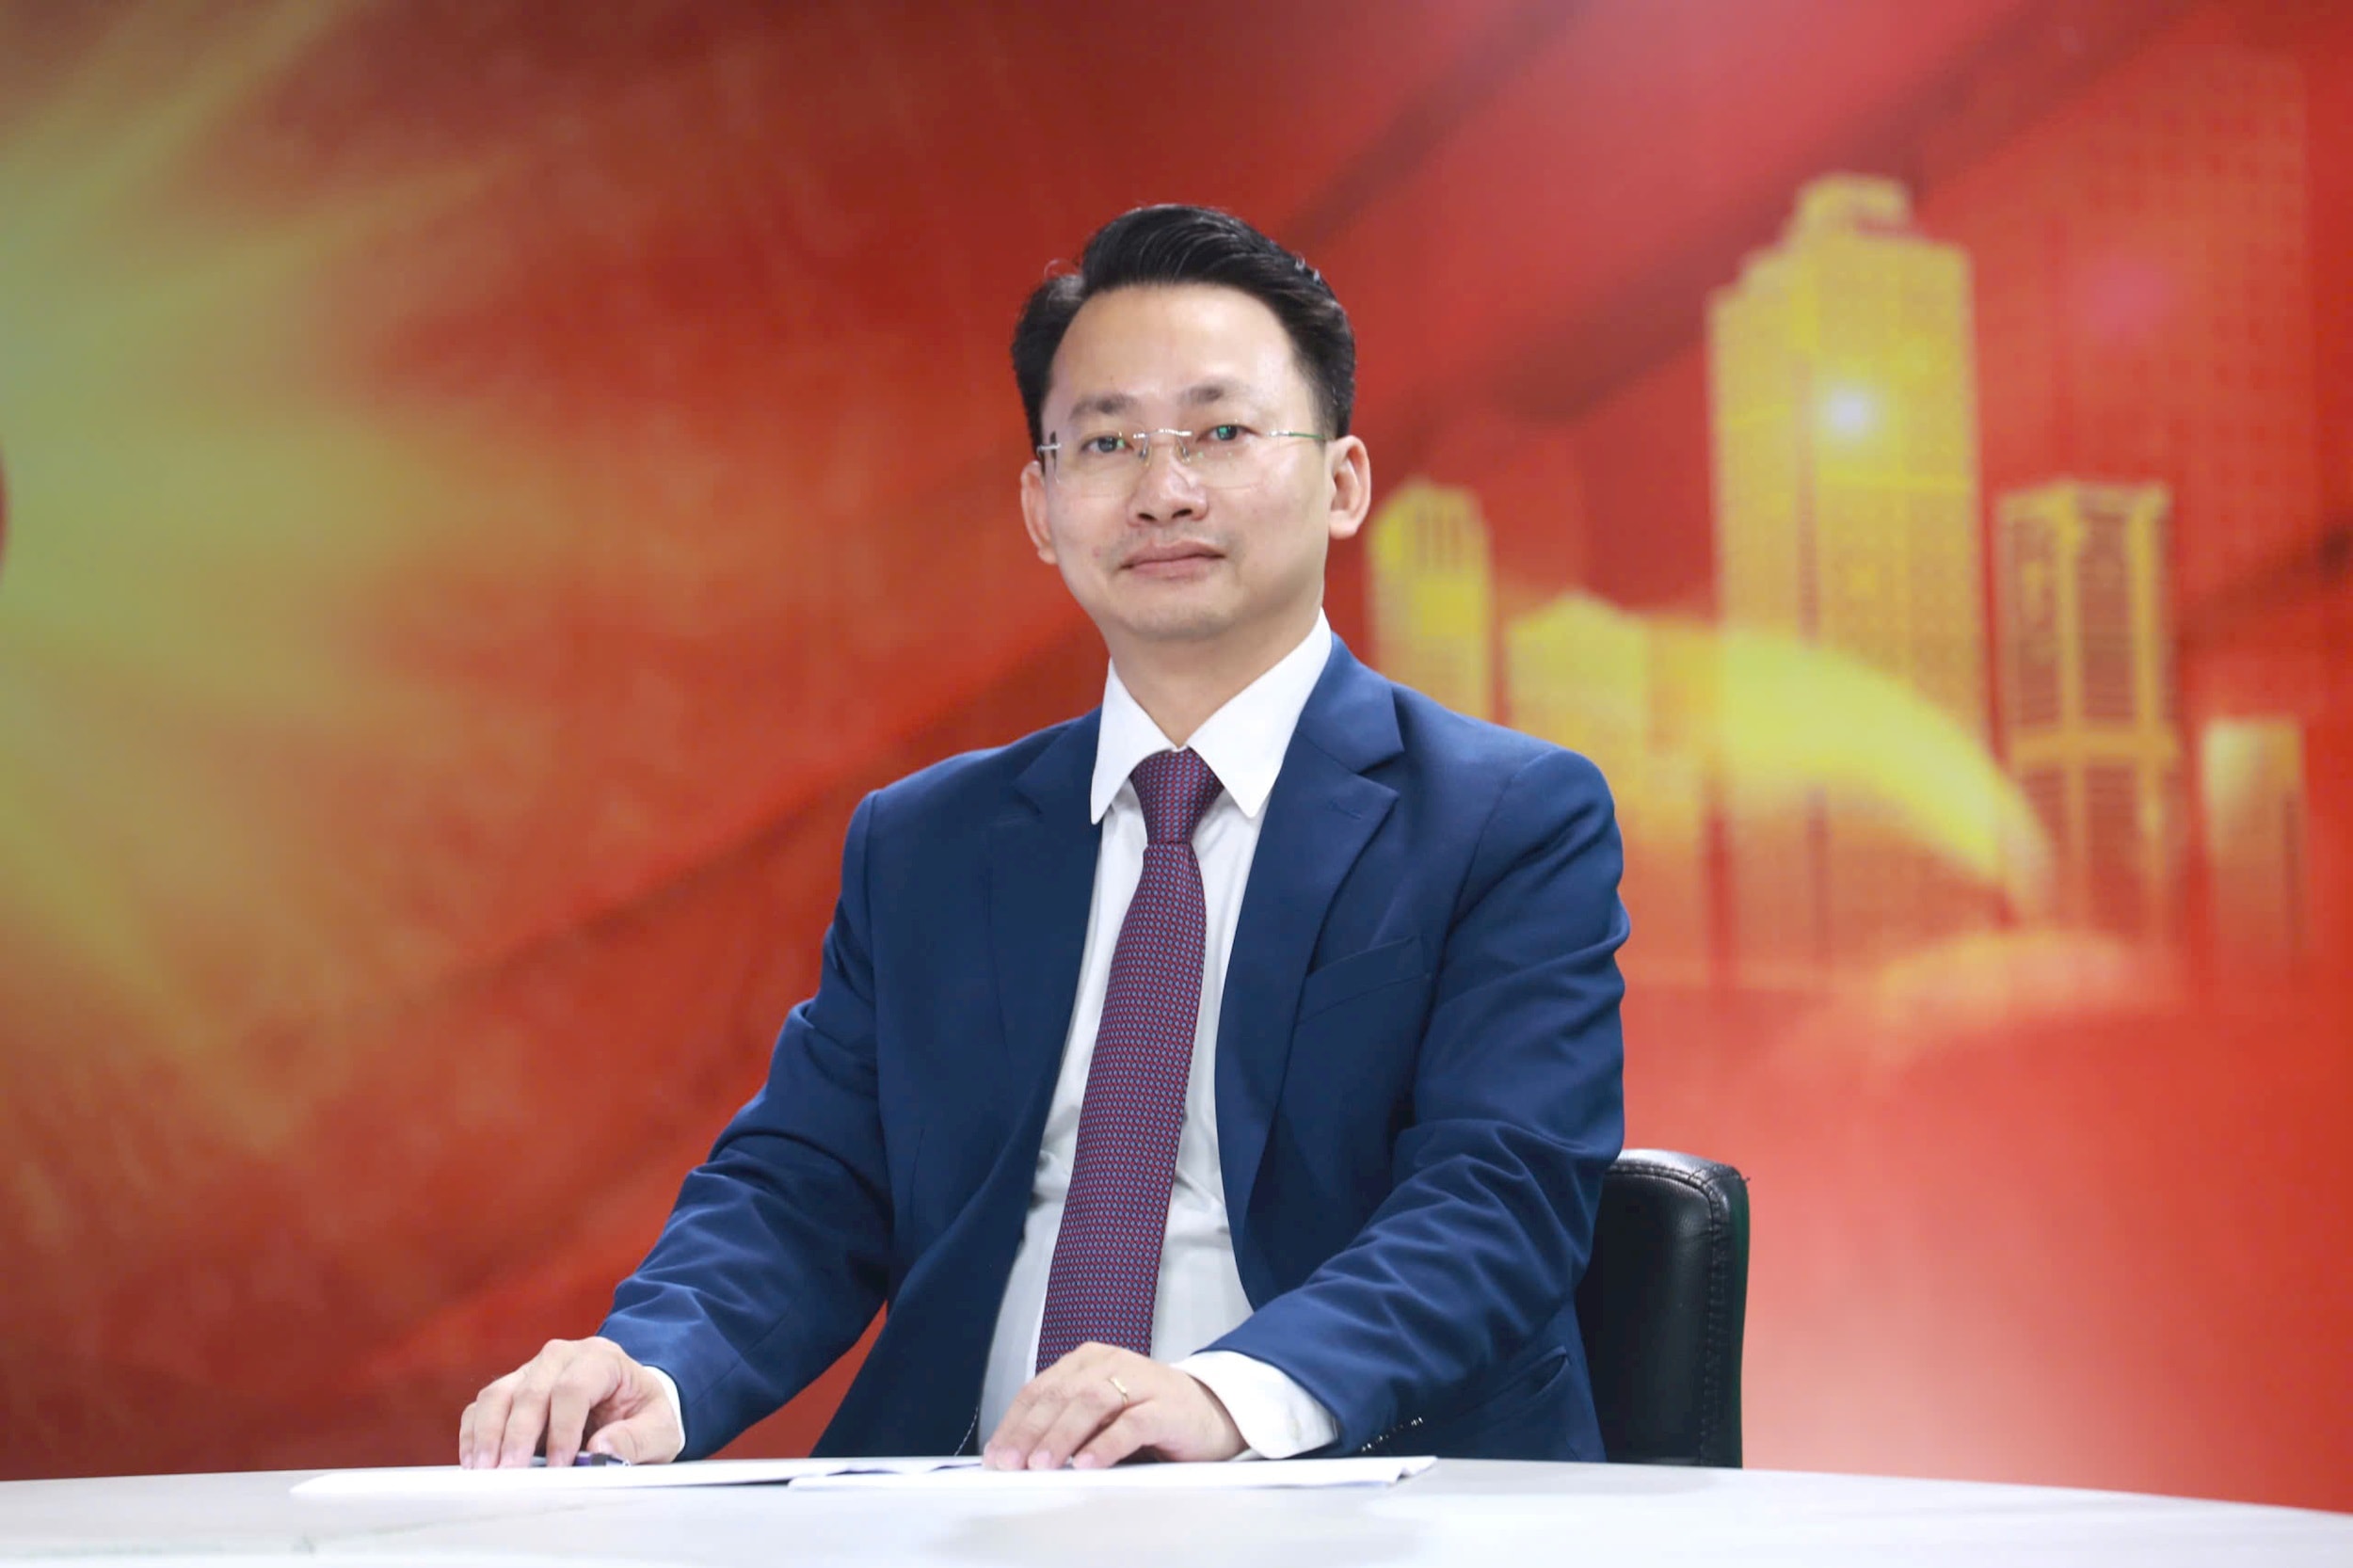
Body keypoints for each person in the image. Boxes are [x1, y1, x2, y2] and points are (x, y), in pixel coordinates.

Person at [457, 204, 1627, 1471]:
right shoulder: (927, 843)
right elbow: (808, 1182)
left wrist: (1228, 1396)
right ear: (1039, 504)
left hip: (1353, 1494)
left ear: (1343, 483)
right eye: (1106, 442)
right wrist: (655, 1362)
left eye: (1222, 432)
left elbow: (1498, 1193)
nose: (1164, 491)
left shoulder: (1508, 818)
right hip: (972, 1496)